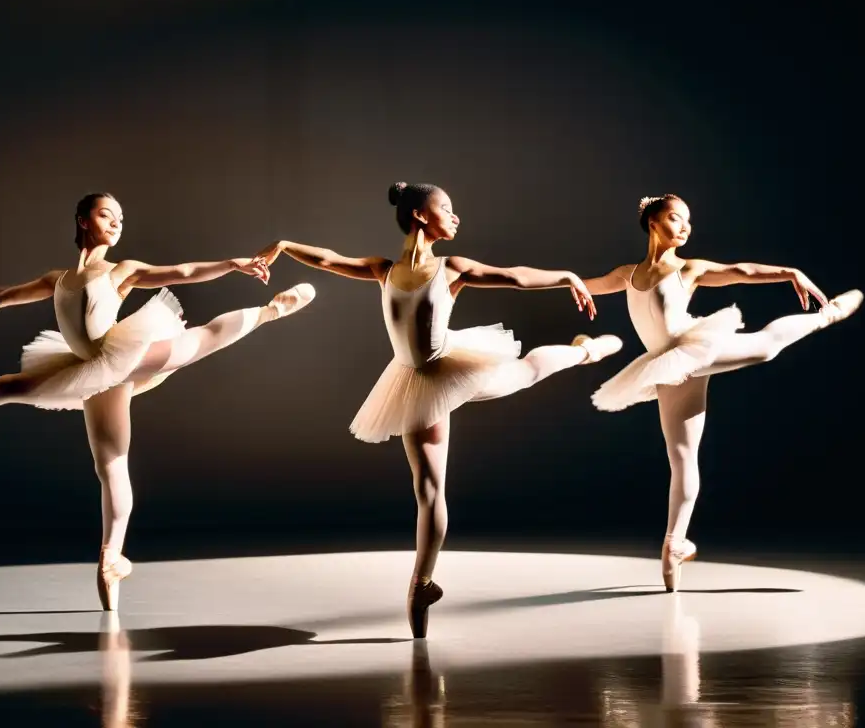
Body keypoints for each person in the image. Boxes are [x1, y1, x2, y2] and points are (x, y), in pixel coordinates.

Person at [0, 192, 316, 610]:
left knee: (203, 338)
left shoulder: (122, 270)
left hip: (128, 351)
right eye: (108, 215)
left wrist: (233, 263)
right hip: (95, 371)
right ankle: (111, 558)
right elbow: (2, 298)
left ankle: (272, 310)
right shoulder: (58, 280)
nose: (117, 223)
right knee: (98, 458)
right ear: (84, 220)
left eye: (121, 219)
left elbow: (182, 272)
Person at [254, 181, 622, 637]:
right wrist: (285, 246)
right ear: (420, 216)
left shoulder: (452, 269)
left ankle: (587, 351)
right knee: (428, 490)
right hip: (415, 382)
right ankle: (421, 582)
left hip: (455, 364)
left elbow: (515, 276)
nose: (456, 216)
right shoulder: (381, 269)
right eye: (446, 208)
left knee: (526, 370)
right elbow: (328, 259)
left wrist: (567, 276)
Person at [581, 194, 863, 591]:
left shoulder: (688, 269)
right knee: (681, 458)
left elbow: (740, 271)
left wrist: (790, 272)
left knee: (765, 345)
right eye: (676, 219)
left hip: (691, 347)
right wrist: (557, 282)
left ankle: (826, 315)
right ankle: (674, 545)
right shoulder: (626, 274)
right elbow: (581, 283)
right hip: (667, 366)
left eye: (689, 222)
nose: (685, 227)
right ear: (652, 222)